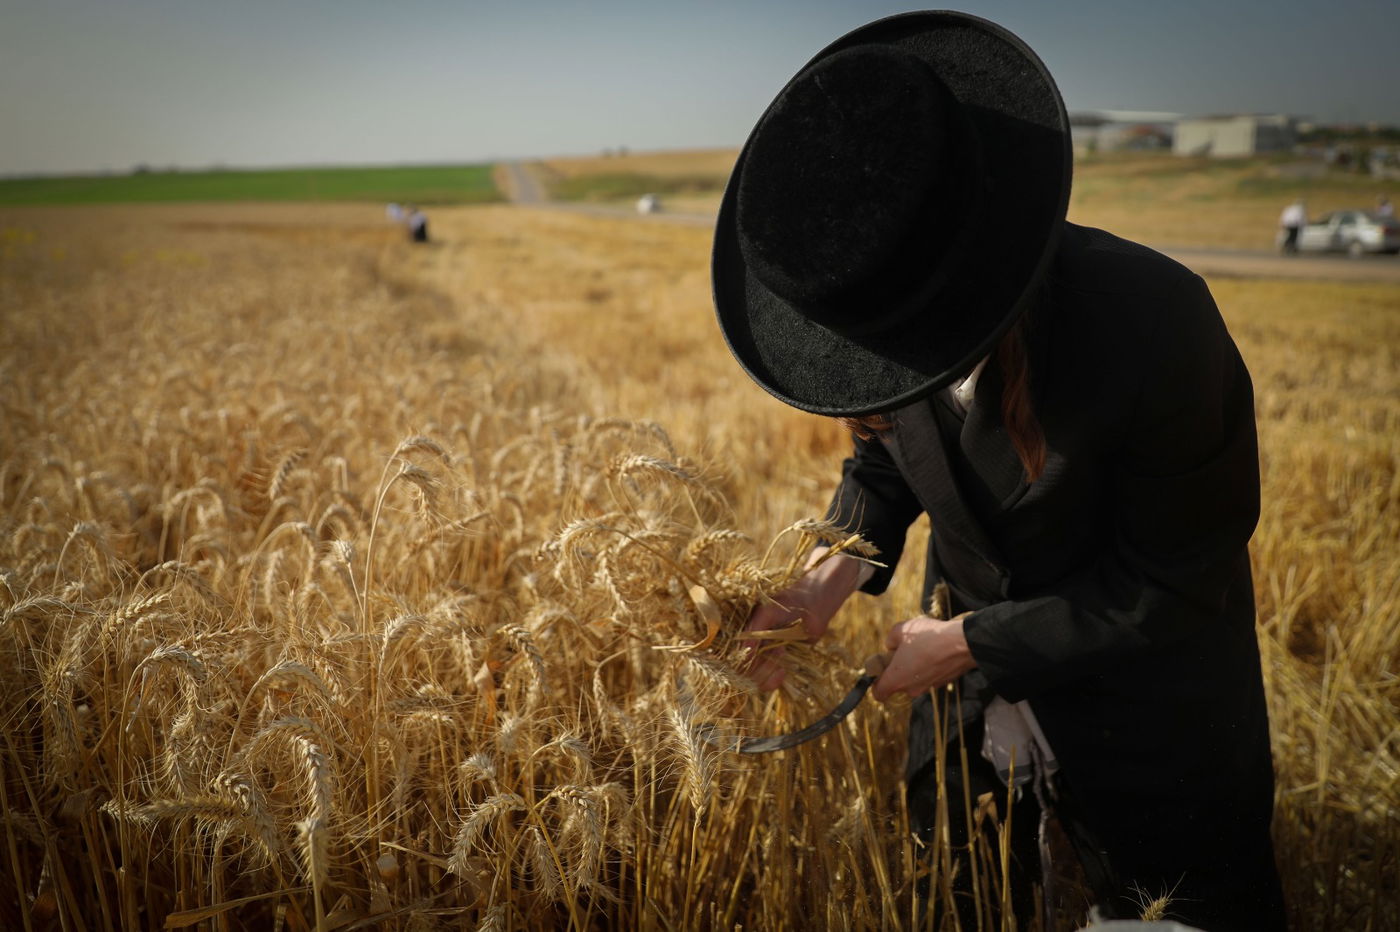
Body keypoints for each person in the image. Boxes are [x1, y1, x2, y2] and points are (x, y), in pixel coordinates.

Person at [712, 12, 1285, 931]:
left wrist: (976, 641)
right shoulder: (880, 301)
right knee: (962, 891)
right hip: (965, 674)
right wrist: (831, 574)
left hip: (1152, 698)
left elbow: (1177, 582)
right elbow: (888, 459)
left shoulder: (1156, 323)